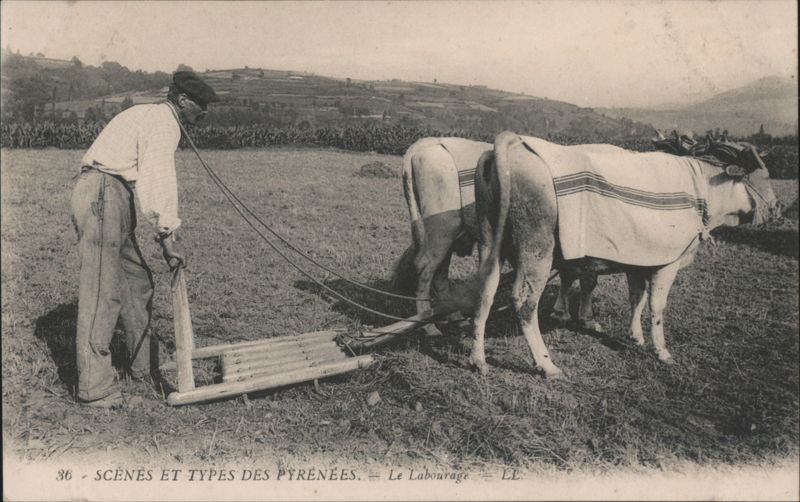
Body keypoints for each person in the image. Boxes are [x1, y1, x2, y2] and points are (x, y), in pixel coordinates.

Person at [70, 71, 219, 407]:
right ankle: (95, 389)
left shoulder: (154, 117)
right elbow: (157, 181)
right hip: (103, 193)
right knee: (101, 291)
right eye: (202, 104)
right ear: (182, 100)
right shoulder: (163, 122)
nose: (205, 112)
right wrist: (167, 238)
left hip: (113, 196)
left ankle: (144, 366)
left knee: (136, 283)